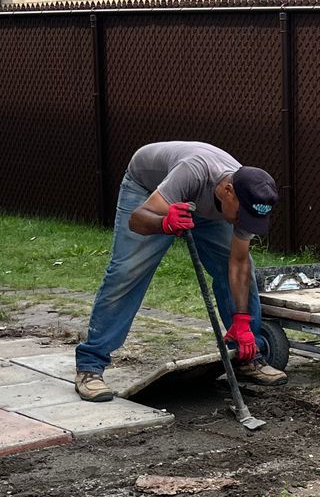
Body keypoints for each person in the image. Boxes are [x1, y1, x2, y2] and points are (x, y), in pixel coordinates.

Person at [75, 140, 285, 401]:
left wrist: (242, 321)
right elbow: (137, 220)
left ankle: (246, 356)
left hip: (204, 202)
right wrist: (165, 223)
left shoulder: (250, 196)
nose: (245, 223)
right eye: (243, 216)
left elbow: (238, 264)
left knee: (241, 269)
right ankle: (90, 366)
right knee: (127, 273)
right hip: (150, 191)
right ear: (228, 191)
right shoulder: (194, 171)